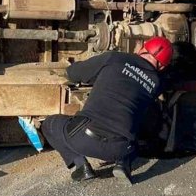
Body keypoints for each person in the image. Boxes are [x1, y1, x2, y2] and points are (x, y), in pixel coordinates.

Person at [40, 36, 173, 185]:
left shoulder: (115, 58)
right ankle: (123, 164)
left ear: (143, 48)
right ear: (162, 67)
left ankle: (81, 166)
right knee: (136, 125)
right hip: (120, 148)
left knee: (48, 124)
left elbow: (74, 73)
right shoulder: (156, 84)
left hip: (83, 139)